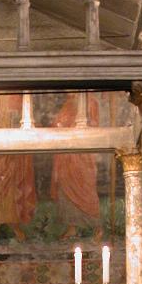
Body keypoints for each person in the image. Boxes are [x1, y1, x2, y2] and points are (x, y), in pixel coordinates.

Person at [0, 93, 36, 242]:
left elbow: (25, 122)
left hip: (12, 152)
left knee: (11, 189)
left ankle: (14, 224)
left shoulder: (19, 99)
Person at [49, 93, 101, 241]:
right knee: (65, 188)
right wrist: (58, 126)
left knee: (85, 190)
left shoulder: (90, 101)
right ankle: (72, 227)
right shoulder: (68, 103)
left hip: (82, 155)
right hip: (66, 155)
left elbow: (94, 125)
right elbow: (58, 123)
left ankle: (97, 227)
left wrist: (72, 128)